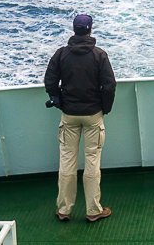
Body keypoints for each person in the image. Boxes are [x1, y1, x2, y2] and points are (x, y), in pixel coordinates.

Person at [44, 13, 116, 223]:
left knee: (67, 161)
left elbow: (50, 81)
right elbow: (109, 85)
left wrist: (58, 100)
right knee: (92, 161)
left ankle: (64, 209)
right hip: (93, 115)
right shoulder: (99, 55)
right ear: (90, 30)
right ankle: (93, 211)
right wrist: (105, 108)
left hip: (69, 115)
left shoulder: (61, 54)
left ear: (74, 30)